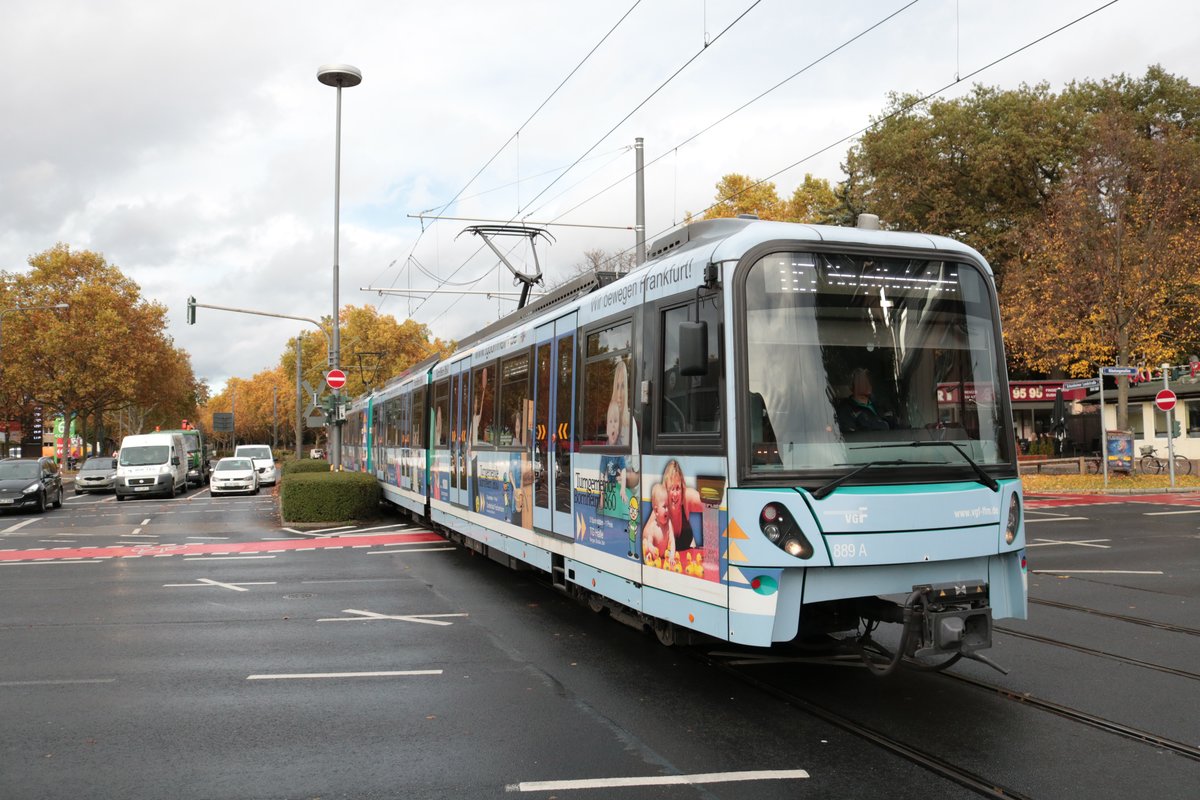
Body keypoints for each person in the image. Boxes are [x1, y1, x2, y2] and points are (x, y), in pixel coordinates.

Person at [661, 459, 704, 552]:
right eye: (671, 488)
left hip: (689, 555)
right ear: (666, 489)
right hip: (669, 559)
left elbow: (711, 504)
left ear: (682, 488)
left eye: (678, 488)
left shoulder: (686, 497)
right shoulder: (661, 503)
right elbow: (646, 534)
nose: (675, 494)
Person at [836, 367, 895, 432]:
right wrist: (882, 425)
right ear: (852, 386)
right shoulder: (845, 409)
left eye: (868, 380)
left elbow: (897, 425)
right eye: (861, 381)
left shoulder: (880, 405)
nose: (867, 384)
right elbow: (851, 434)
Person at [642, 484, 674, 561]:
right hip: (655, 557)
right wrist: (651, 548)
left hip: (664, 556)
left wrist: (672, 556)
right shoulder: (652, 527)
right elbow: (649, 542)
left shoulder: (669, 523)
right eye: (664, 507)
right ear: (656, 511)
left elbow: (672, 541)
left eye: (668, 506)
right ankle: (647, 556)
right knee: (645, 543)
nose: (667, 510)